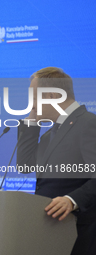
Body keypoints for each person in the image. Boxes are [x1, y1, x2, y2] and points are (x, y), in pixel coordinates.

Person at [17, 67, 96, 255]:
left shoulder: (88, 123)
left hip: (80, 232)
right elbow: (25, 165)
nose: (31, 105)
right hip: (53, 232)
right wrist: (31, 123)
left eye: (34, 99)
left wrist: (72, 200)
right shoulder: (50, 135)